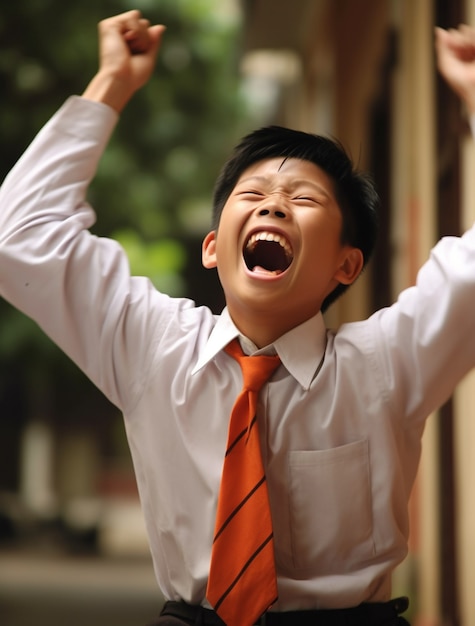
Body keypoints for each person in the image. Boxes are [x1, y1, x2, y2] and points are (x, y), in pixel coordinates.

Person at [0, 9, 474, 626]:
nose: (274, 204)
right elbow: (20, 239)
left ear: (346, 266)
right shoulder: (152, 347)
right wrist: (110, 84)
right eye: (251, 196)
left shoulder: (384, 364)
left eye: (303, 199)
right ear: (211, 246)